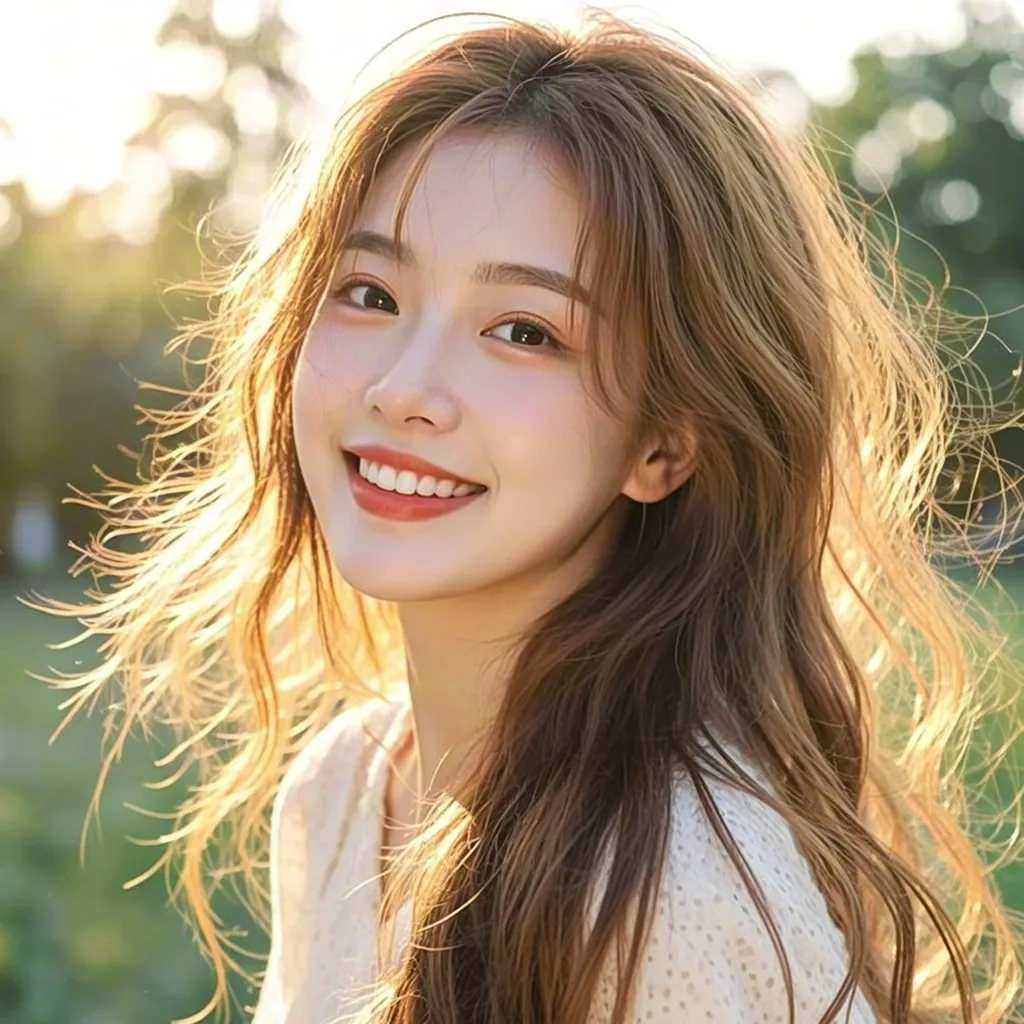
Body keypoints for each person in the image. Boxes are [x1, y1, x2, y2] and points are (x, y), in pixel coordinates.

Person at [30, 9, 1024, 1024]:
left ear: (663, 445)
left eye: (523, 330)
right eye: (369, 293)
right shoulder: (342, 791)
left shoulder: (663, 895)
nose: (405, 386)